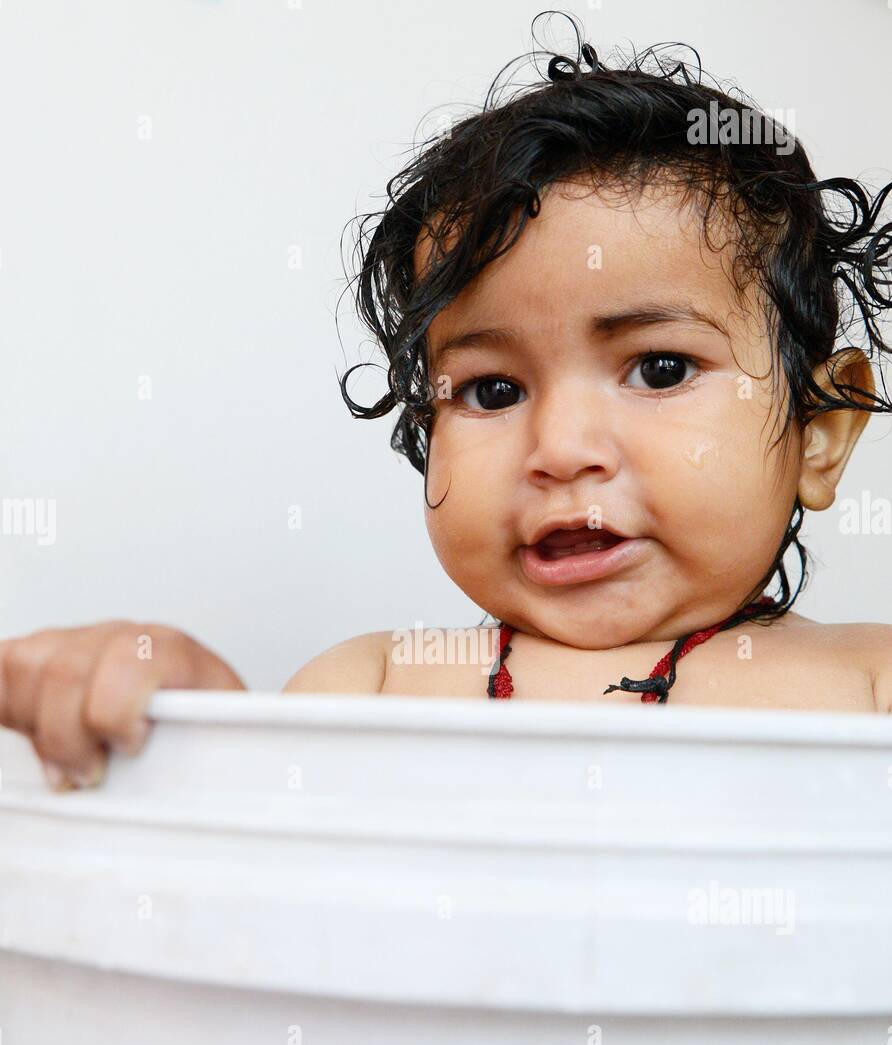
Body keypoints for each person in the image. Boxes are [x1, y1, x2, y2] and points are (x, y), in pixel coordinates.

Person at [2, 18, 891, 790]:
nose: (563, 448)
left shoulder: (870, 683)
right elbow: (264, 873)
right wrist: (178, 725)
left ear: (821, 432)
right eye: (492, 390)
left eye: (659, 369)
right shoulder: (378, 685)